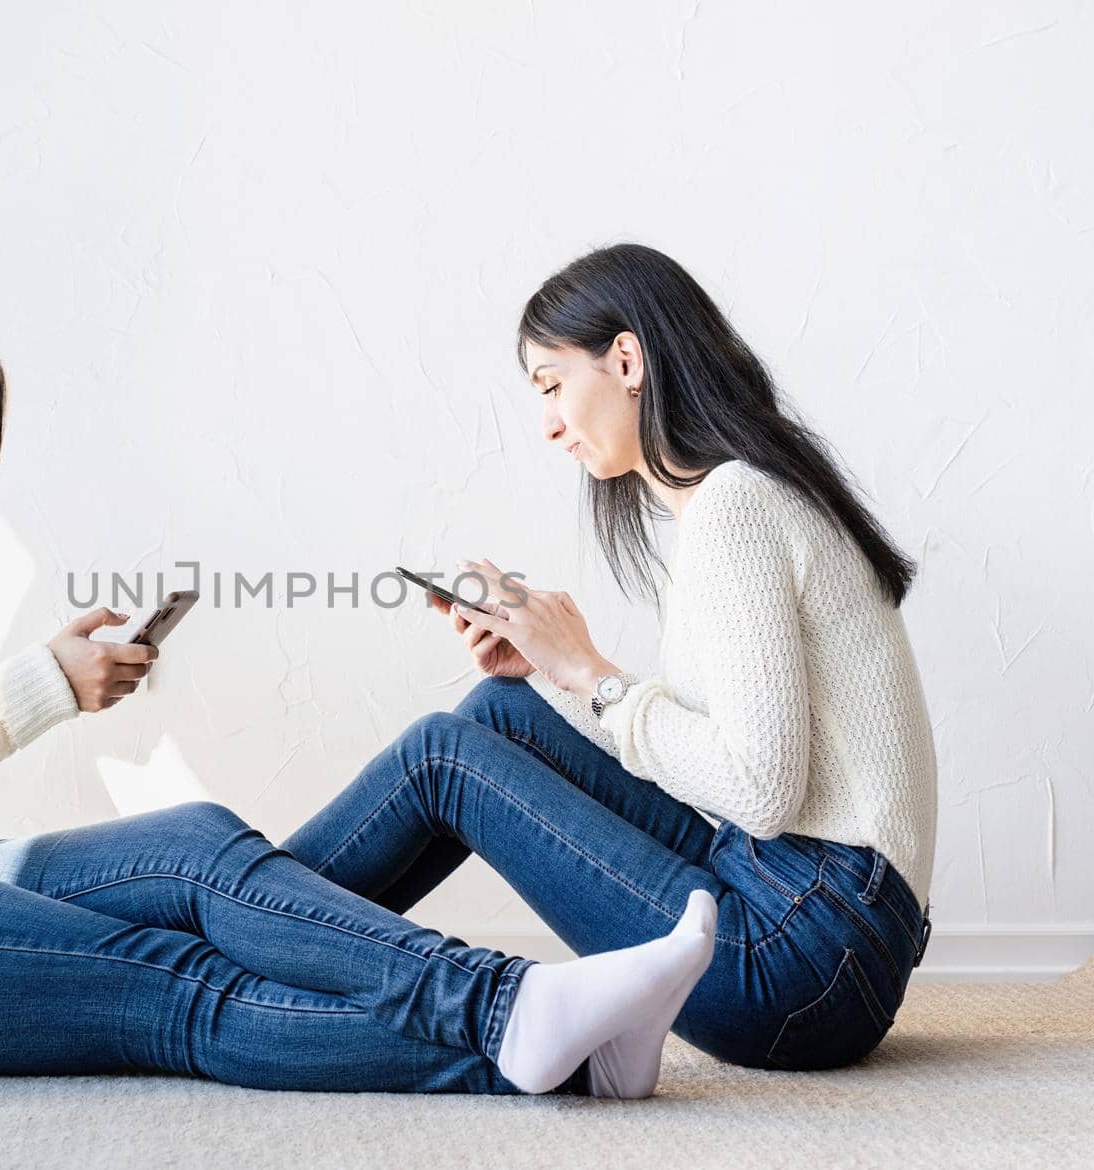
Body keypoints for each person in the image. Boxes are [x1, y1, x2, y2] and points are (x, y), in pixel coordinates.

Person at [0, 322, 716, 1096]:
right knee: (162, 984)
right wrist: (41, 689)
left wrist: (56, 683)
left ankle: (563, 1046)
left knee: (196, 844)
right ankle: (516, 1018)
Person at [281, 243, 938, 1083]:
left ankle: (228, 911)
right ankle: (247, 921)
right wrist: (552, 675)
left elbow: (761, 791)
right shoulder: (745, 496)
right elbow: (737, 780)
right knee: (498, 714)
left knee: (441, 758)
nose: (549, 422)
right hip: (811, 915)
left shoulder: (734, 504)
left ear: (625, 359)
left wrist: (592, 670)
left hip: (802, 956)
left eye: (552, 385)